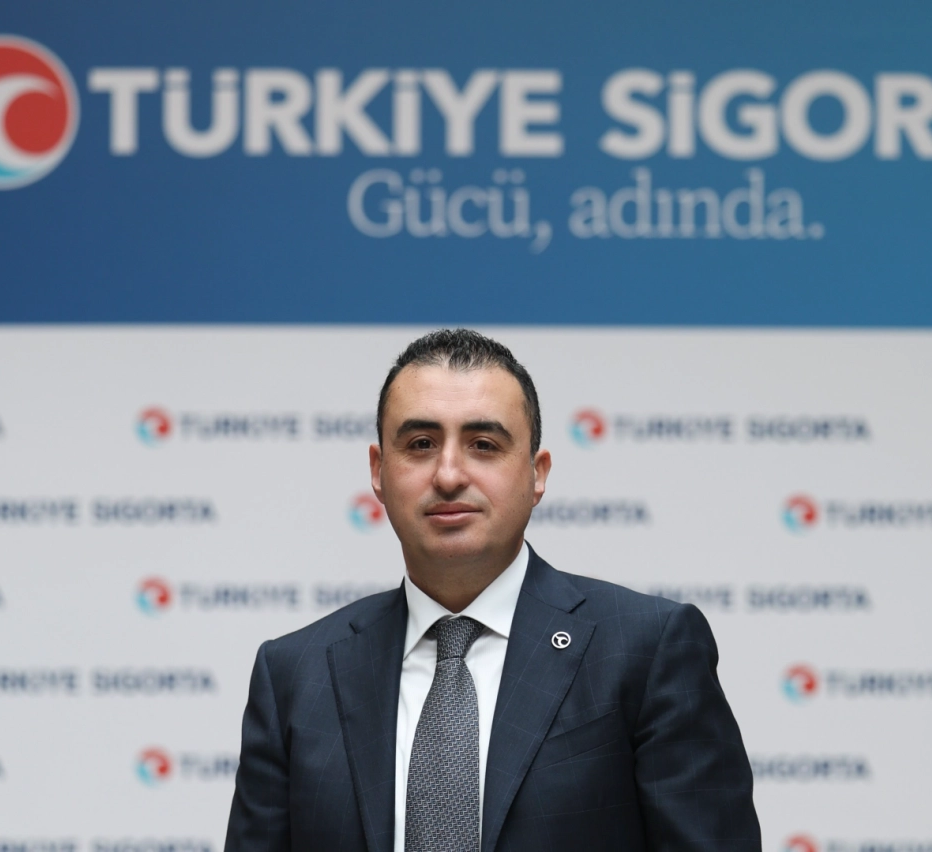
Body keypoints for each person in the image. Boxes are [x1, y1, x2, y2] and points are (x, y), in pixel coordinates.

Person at [224, 329, 761, 851]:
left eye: (484, 445)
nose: (449, 475)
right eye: (420, 444)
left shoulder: (646, 650)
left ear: (536, 474)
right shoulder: (294, 674)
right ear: (379, 471)